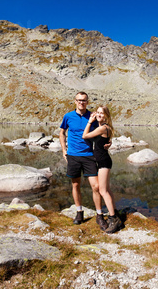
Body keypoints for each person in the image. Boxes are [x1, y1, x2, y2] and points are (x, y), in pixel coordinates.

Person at [59, 92, 109, 230]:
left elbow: (104, 129)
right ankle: (79, 212)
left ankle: (99, 215)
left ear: (87, 102)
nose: (81, 102)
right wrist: (64, 150)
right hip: (73, 156)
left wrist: (108, 143)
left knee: (96, 186)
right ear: (75, 101)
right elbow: (62, 132)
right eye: (79, 100)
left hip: (89, 156)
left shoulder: (92, 116)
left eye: (84, 100)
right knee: (76, 185)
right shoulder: (68, 116)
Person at [82, 105, 123, 234]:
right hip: (102, 160)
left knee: (102, 190)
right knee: (107, 189)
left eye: (102, 113)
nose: (99, 114)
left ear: (106, 116)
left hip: (103, 162)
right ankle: (115, 213)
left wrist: (89, 122)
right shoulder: (104, 127)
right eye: (98, 112)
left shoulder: (103, 128)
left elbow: (85, 136)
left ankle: (113, 219)